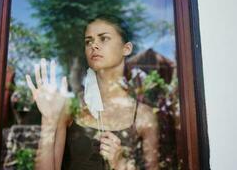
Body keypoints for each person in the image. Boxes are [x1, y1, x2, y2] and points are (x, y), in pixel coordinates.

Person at [26, 14, 159, 170]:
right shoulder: (71, 107)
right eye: (88, 41)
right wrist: (48, 122)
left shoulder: (144, 116)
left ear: (126, 48)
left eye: (104, 38)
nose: (94, 45)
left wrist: (121, 164)